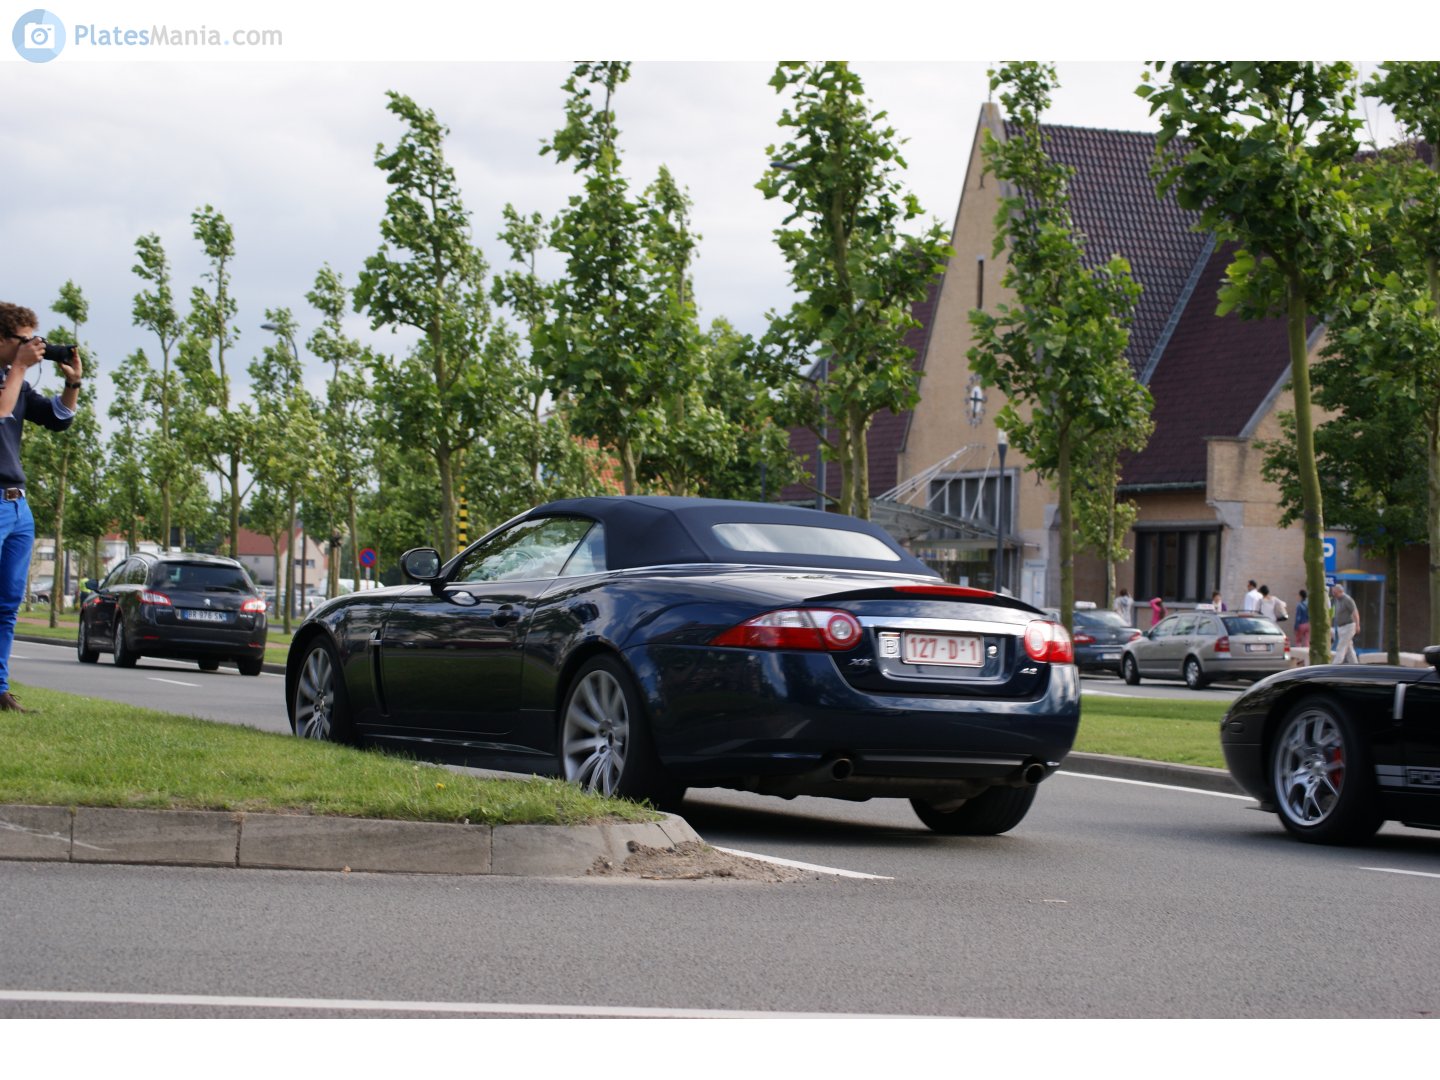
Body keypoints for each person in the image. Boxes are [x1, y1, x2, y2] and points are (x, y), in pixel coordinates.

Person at [0, 303, 82, 712]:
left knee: (8, 602)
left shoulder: (12, 378)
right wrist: (19, 368)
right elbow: (0, 412)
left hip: (16, 507)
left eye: (38, 341)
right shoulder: (9, 377)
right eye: (25, 341)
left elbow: (58, 418)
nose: (35, 348)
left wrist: (73, 384)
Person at [1331, 582, 1360, 664]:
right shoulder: (1338, 600)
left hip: (1349, 626)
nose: (1334, 594)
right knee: (1349, 649)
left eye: (1335, 593)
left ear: (1340, 591)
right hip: (1341, 627)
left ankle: (1334, 666)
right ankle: (1355, 666)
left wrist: (1357, 625)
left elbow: (1355, 612)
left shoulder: (1347, 599)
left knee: (1341, 647)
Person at [1293, 589, 1310, 660]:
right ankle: (1307, 656)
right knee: (1307, 640)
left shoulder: (1299, 605)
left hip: (1301, 624)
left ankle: (1299, 657)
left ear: (1300, 596)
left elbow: (1298, 617)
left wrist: (1295, 627)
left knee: (1298, 640)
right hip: (1308, 624)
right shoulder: (1309, 604)